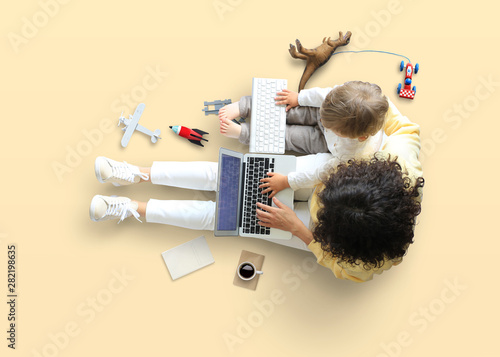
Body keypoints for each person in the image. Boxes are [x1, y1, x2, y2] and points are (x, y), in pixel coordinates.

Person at [89, 98, 424, 282]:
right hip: (315, 180)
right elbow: (382, 109)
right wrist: (346, 103)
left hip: (313, 230)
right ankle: (136, 174)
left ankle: (131, 207)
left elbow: (335, 263)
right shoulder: (401, 153)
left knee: (231, 216)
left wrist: (299, 228)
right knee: (230, 176)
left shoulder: (366, 263)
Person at [219, 81, 390, 196]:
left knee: (290, 137)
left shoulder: (351, 154)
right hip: (323, 112)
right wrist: (299, 98)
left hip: (326, 144)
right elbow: (320, 95)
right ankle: (245, 107)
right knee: (289, 108)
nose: (325, 124)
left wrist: (287, 181)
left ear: (360, 137)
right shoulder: (343, 97)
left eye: (335, 129)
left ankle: (244, 132)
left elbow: (318, 174)